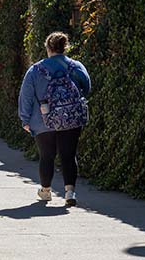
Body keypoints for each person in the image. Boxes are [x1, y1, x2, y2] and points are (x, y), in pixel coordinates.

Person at [18, 31, 91, 206]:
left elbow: (26, 96)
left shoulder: (36, 70)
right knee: (69, 155)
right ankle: (70, 192)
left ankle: (46, 191)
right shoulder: (76, 66)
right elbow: (87, 88)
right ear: (64, 47)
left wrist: (25, 119)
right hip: (71, 119)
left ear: (48, 48)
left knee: (47, 156)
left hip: (42, 120)